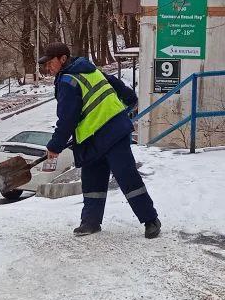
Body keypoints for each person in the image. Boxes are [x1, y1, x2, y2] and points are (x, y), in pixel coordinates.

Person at [39, 42, 161, 238]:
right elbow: (114, 83)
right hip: (93, 138)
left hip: (112, 133)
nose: (48, 67)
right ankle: (90, 222)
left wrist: (55, 146)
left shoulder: (68, 81)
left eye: (50, 62)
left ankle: (150, 220)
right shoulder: (88, 69)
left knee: (126, 176)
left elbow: (67, 118)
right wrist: (130, 100)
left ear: (63, 59)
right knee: (92, 181)